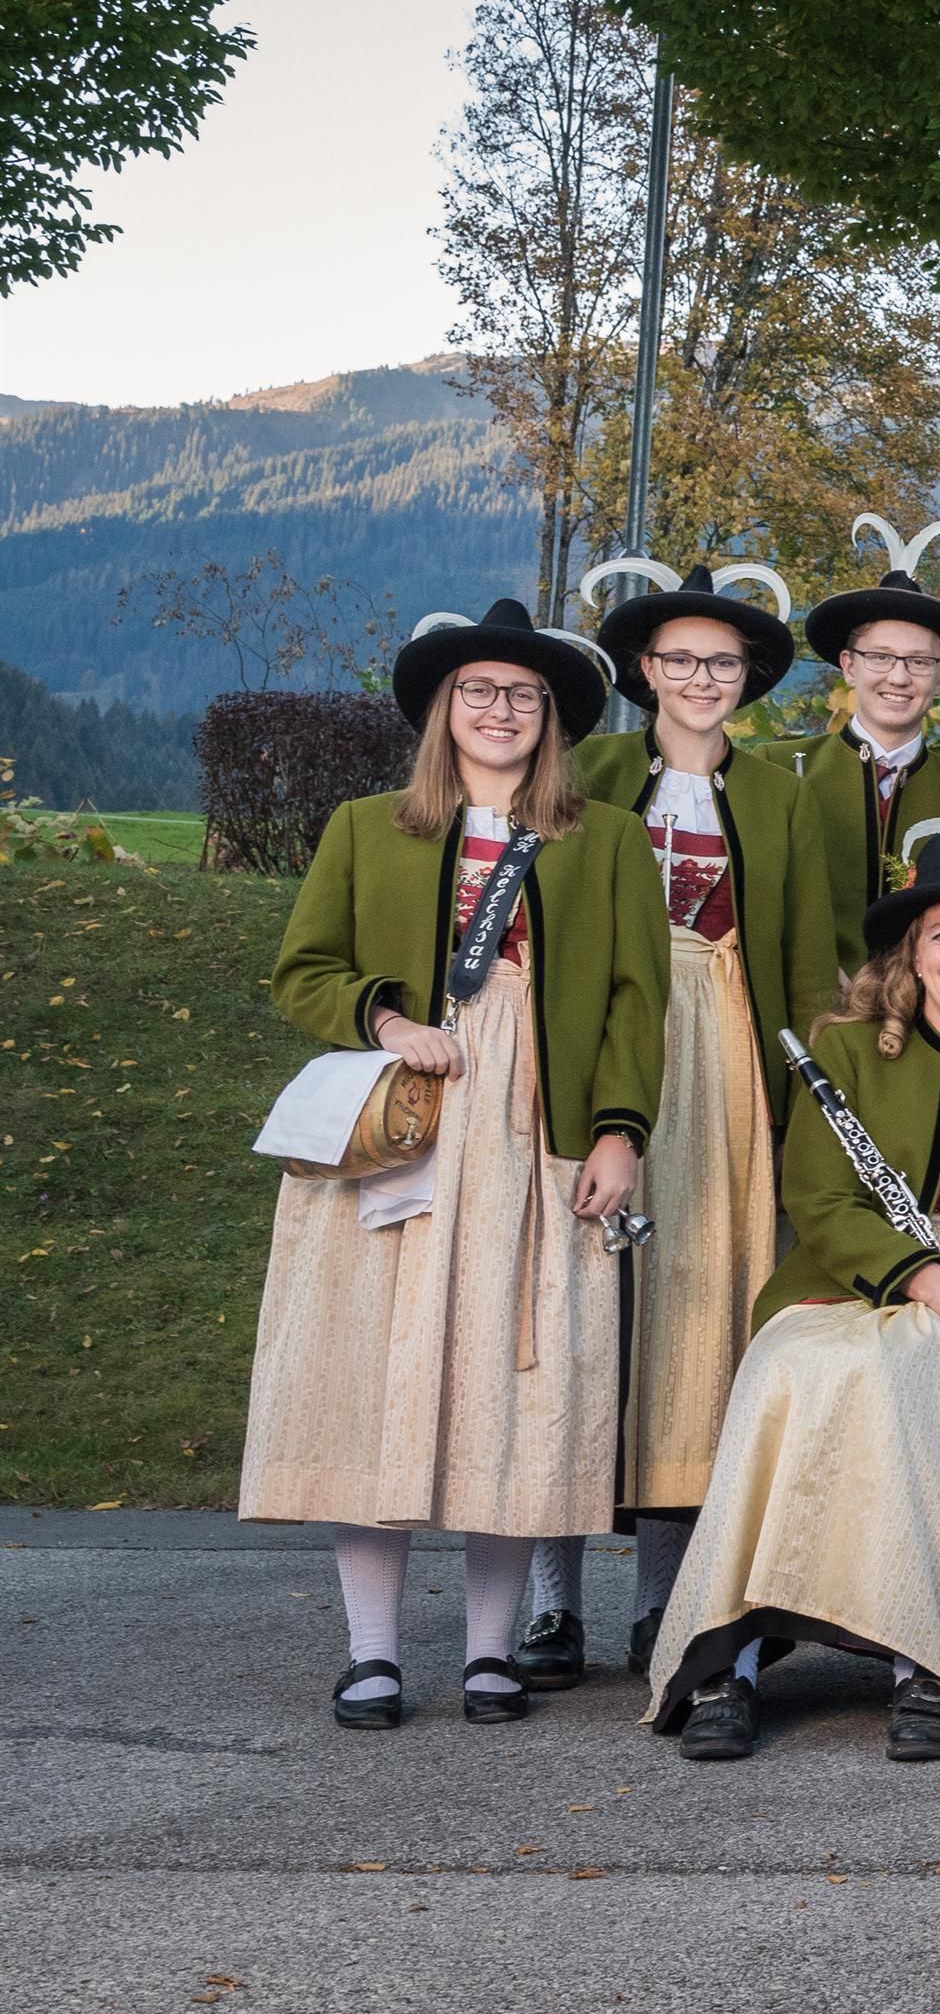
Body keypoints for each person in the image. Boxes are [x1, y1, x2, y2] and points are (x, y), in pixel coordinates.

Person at [245, 599, 666, 1731]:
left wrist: (618, 1130)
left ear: (552, 720)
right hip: (405, 1123)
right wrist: (386, 1020)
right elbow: (303, 970)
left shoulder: (605, 840)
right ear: (443, 708)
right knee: (374, 1378)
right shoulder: (366, 828)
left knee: (511, 1384)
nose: (501, 709)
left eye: (524, 695)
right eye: (478, 689)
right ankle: (372, 1653)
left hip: (536, 1128)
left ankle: (489, 1651)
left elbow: (637, 1000)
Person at [646, 830, 940, 1763]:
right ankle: (731, 1659)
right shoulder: (847, 1053)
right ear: (912, 955)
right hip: (858, 1281)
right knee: (791, 1371)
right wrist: (926, 1280)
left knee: (920, 1370)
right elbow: (821, 1198)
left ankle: (924, 1664)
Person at [527, 567, 835, 1688]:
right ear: (644, 671)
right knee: (572, 1313)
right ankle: (550, 1603)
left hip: (725, 1064)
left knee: (691, 1327)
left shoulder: (782, 798)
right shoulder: (589, 775)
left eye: (722, 662)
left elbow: (808, 963)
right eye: (680, 660)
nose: (702, 678)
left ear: (747, 678)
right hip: (596, 1042)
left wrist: (807, 1108)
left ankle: (665, 1600)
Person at [789, 536, 940, 963]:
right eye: (879, 657)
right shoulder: (781, 770)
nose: (898, 678)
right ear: (849, 666)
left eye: (919, 662)